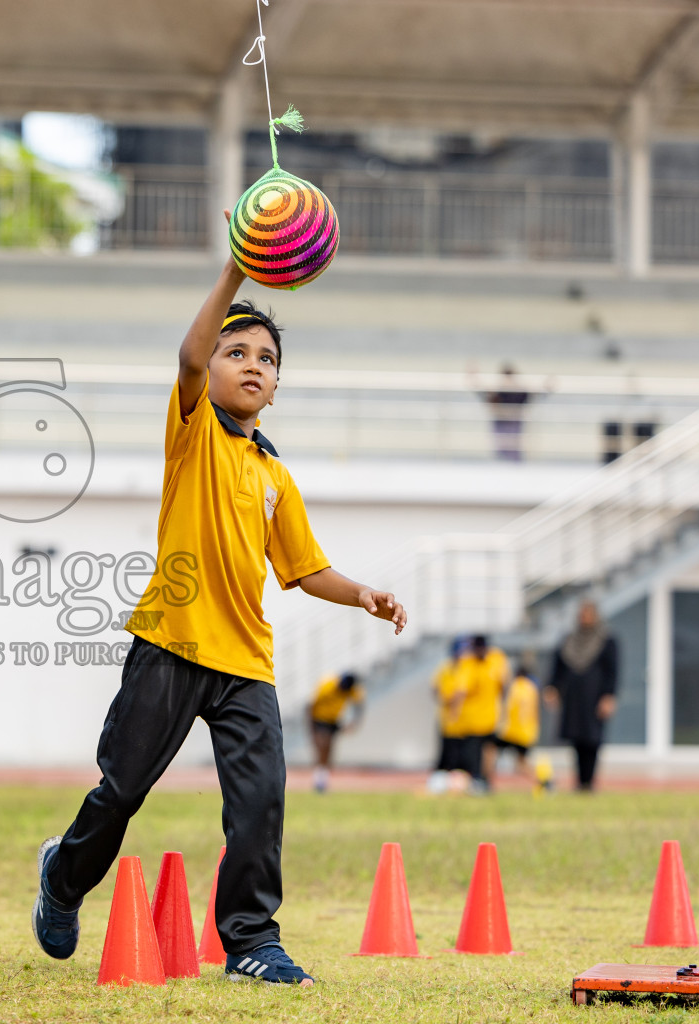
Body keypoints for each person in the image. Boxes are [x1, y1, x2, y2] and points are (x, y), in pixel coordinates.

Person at [30, 254, 408, 987]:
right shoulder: (194, 428)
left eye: (266, 358)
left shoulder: (274, 473)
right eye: (237, 352)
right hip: (170, 644)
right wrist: (237, 274)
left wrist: (363, 593)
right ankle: (63, 877)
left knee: (261, 805)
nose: (252, 365)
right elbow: (188, 356)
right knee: (122, 792)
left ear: (277, 383)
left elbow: (303, 569)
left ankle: (251, 943)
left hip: (245, 664)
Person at [545, 601, 618, 792]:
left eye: (587, 614)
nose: (583, 618)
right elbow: (557, 668)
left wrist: (609, 696)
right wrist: (552, 688)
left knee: (592, 740)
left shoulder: (606, 641)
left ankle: (589, 781)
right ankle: (579, 782)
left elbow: (612, 671)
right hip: (574, 698)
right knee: (576, 739)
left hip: (594, 698)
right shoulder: (569, 640)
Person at [457, 635, 509, 793]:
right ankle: (476, 781)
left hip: (490, 717)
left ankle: (486, 781)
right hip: (472, 719)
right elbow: (461, 690)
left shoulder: (495, 660)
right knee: (472, 755)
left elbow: (504, 684)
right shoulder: (468, 663)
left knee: (489, 751)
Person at [308, 672, 365, 793]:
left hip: (334, 720)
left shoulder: (353, 690)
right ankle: (318, 779)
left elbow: (359, 705)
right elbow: (311, 706)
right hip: (320, 719)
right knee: (322, 747)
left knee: (329, 751)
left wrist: (354, 723)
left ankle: (322, 780)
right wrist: (311, 728)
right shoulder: (326, 685)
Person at [429, 637, 470, 794]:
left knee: (462, 758)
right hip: (447, 720)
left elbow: (461, 693)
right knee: (445, 757)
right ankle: (441, 785)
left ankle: (459, 787)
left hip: (464, 721)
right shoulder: (445, 669)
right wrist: (446, 698)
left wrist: (450, 698)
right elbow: (435, 688)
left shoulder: (466, 669)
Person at [495, 658, 542, 790]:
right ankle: (542, 780)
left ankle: (483, 781)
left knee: (489, 747)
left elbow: (508, 707)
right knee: (521, 763)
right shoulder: (532, 688)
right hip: (527, 732)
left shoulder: (515, 686)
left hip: (512, 731)